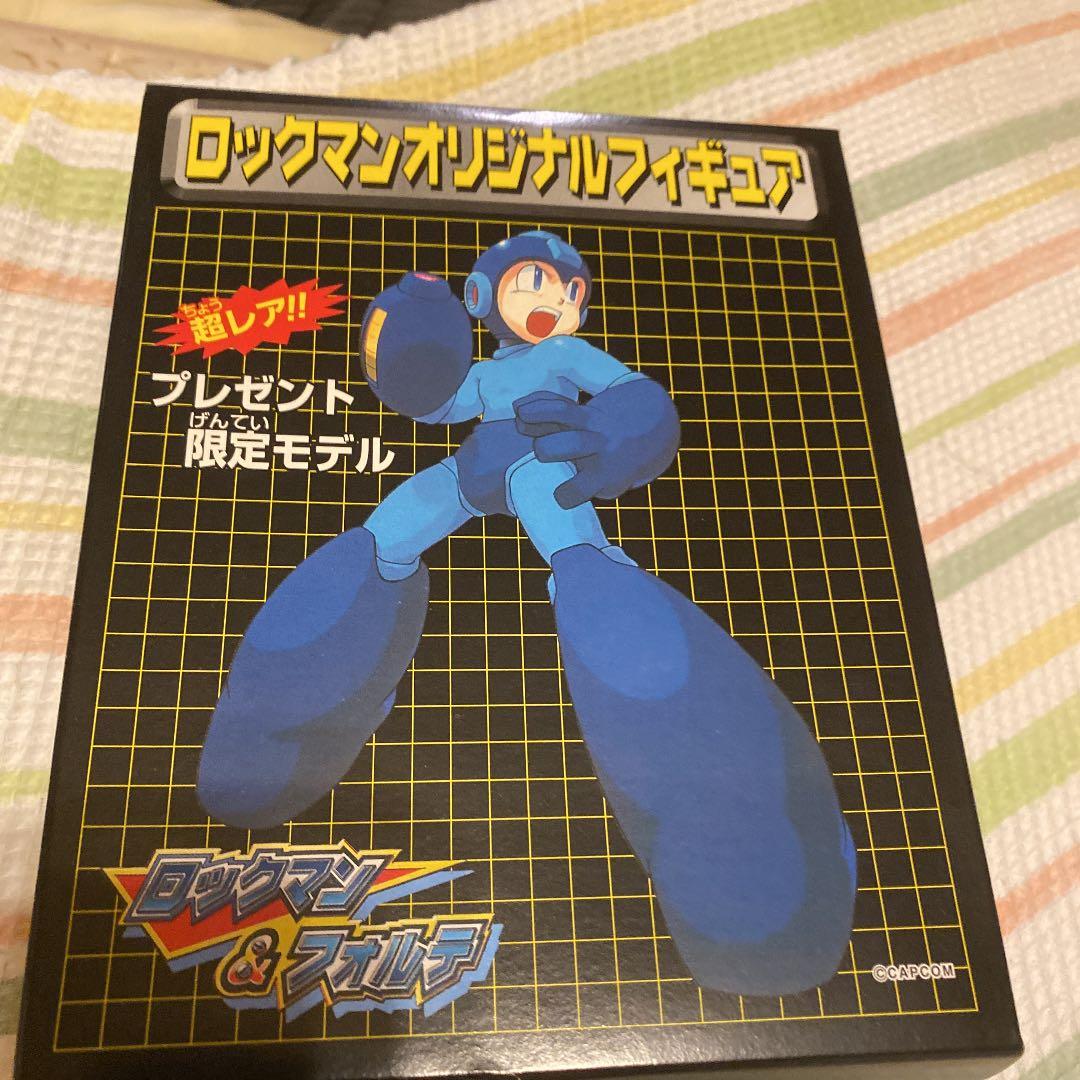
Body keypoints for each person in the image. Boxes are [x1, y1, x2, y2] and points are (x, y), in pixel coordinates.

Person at [198, 230, 856, 996]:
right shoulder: (490, 373)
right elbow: (441, 400)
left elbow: (635, 395)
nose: (557, 300)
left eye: (569, 290)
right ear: (482, 299)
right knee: (377, 545)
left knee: (599, 595)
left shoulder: (566, 356)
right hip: (471, 473)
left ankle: (749, 874)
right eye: (536, 282)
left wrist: (617, 434)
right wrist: (411, 351)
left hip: (549, 474)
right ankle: (269, 737)